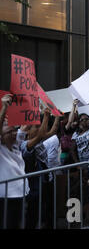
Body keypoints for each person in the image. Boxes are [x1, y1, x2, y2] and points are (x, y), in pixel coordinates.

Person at [0, 94, 29, 229]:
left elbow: (26, 125)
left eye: (13, 129)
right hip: (6, 198)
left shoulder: (16, 144)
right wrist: (5, 107)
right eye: (7, 128)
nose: (13, 132)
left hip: (22, 194)